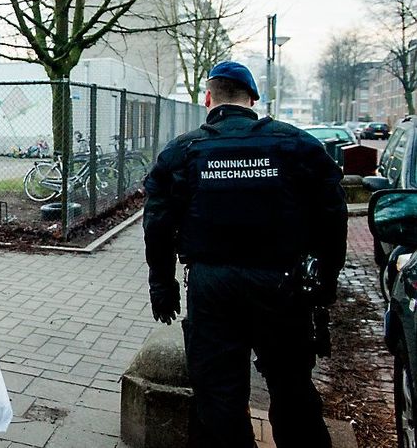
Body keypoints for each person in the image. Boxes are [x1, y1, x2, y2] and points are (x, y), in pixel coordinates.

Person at [143, 61, 347, 448]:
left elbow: (156, 223)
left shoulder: (182, 152)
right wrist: (326, 280)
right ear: (252, 99)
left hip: (212, 286)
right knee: (292, 388)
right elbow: (333, 216)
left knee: (219, 396)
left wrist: (162, 284)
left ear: (208, 98)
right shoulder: (297, 145)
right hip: (281, 286)